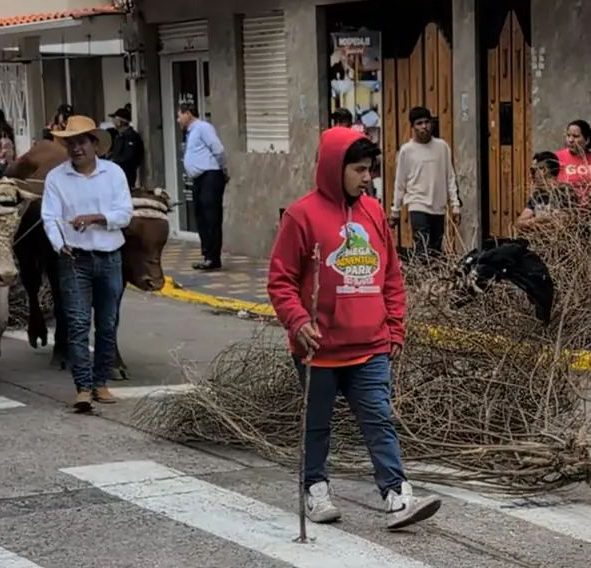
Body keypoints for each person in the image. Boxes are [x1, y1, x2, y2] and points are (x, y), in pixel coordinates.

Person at [267, 129, 441, 530]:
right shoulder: (301, 216)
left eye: (371, 170)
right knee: (317, 424)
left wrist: (395, 328)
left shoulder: (374, 213)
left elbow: (392, 276)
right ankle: (315, 489)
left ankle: (397, 495)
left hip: (370, 345)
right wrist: (297, 320)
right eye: (359, 170)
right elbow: (281, 281)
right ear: (334, 168)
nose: (368, 178)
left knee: (379, 419)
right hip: (319, 350)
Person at [40, 116, 134, 413]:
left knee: (107, 324)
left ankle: (101, 382)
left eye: (81, 142)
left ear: (95, 144)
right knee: (78, 324)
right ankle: (82, 388)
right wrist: (60, 244)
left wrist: (96, 218)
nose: (76, 148)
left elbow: (125, 214)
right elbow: (50, 217)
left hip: (109, 257)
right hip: (74, 259)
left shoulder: (114, 173)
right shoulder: (56, 178)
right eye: (71, 143)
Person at [390, 106, 460, 256]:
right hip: (417, 203)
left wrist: (455, 204)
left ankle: (432, 278)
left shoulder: (442, 147)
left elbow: (450, 176)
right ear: (413, 127)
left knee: (435, 249)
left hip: (438, 206)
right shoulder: (407, 150)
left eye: (427, 122)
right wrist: (395, 209)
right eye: (419, 123)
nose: (424, 127)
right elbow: (400, 181)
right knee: (422, 246)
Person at [178, 102, 228, 271]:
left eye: (180, 115)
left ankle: (213, 257)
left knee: (211, 217)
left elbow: (218, 150)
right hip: (199, 179)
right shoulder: (191, 133)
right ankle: (207, 254)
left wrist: (222, 169)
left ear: (188, 114)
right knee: (200, 217)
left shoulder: (203, 128)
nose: (178, 120)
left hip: (210, 176)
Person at [107, 107, 145, 189]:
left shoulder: (131, 136)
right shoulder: (118, 136)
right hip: (117, 175)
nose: (113, 121)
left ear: (121, 122)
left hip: (126, 176)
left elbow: (129, 158)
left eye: (115, 119)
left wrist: (114, 162)